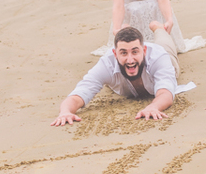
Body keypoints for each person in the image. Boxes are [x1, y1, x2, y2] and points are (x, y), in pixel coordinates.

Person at [54, 25, 186, 125]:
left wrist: (153, 107)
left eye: (135, 52)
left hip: (166, 57)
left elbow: (166, 93)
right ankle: (125, 28)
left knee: (165, 43)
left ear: (144, 50)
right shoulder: (106, 64)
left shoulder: (158, 57)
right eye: (123, 53)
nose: (130, 60)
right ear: (115, 53)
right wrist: (65, 112)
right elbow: (79, 93)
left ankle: (158, 27)